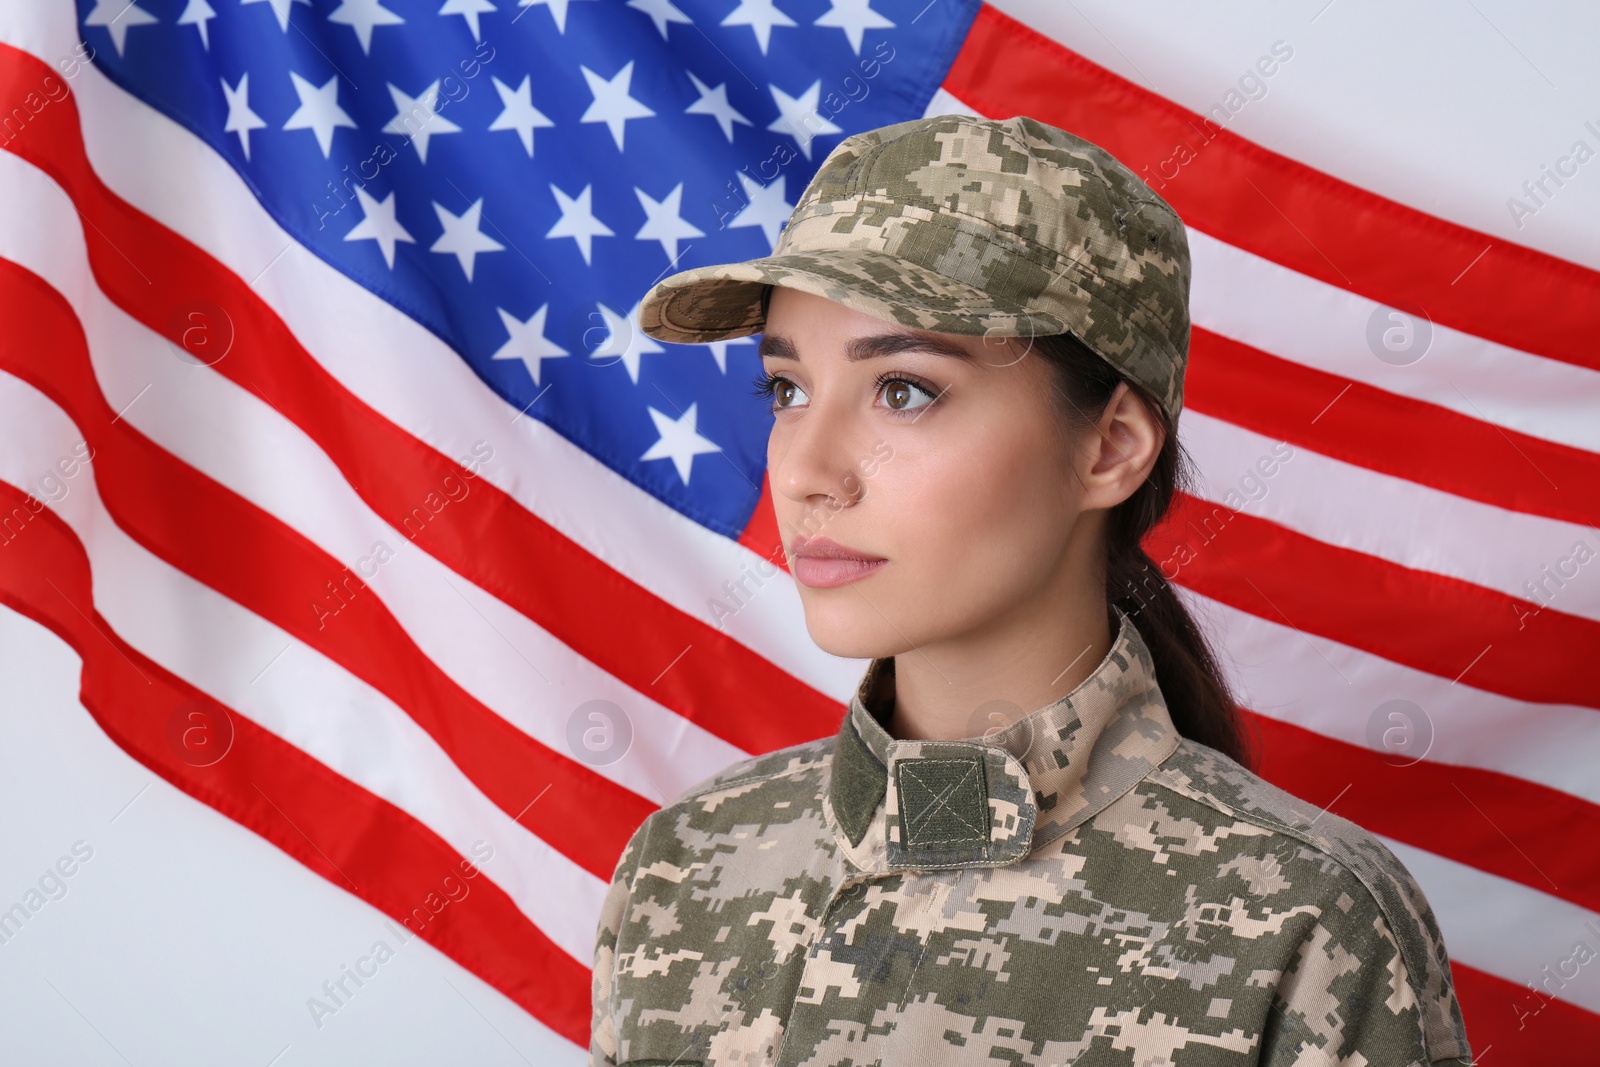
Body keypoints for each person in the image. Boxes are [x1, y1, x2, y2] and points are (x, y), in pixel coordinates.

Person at [590, 113, 1475, 1066]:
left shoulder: (1304, 922)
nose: (807, 472)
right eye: (786, 391)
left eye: (903, 390)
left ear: (1111, 447)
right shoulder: (683, 870)